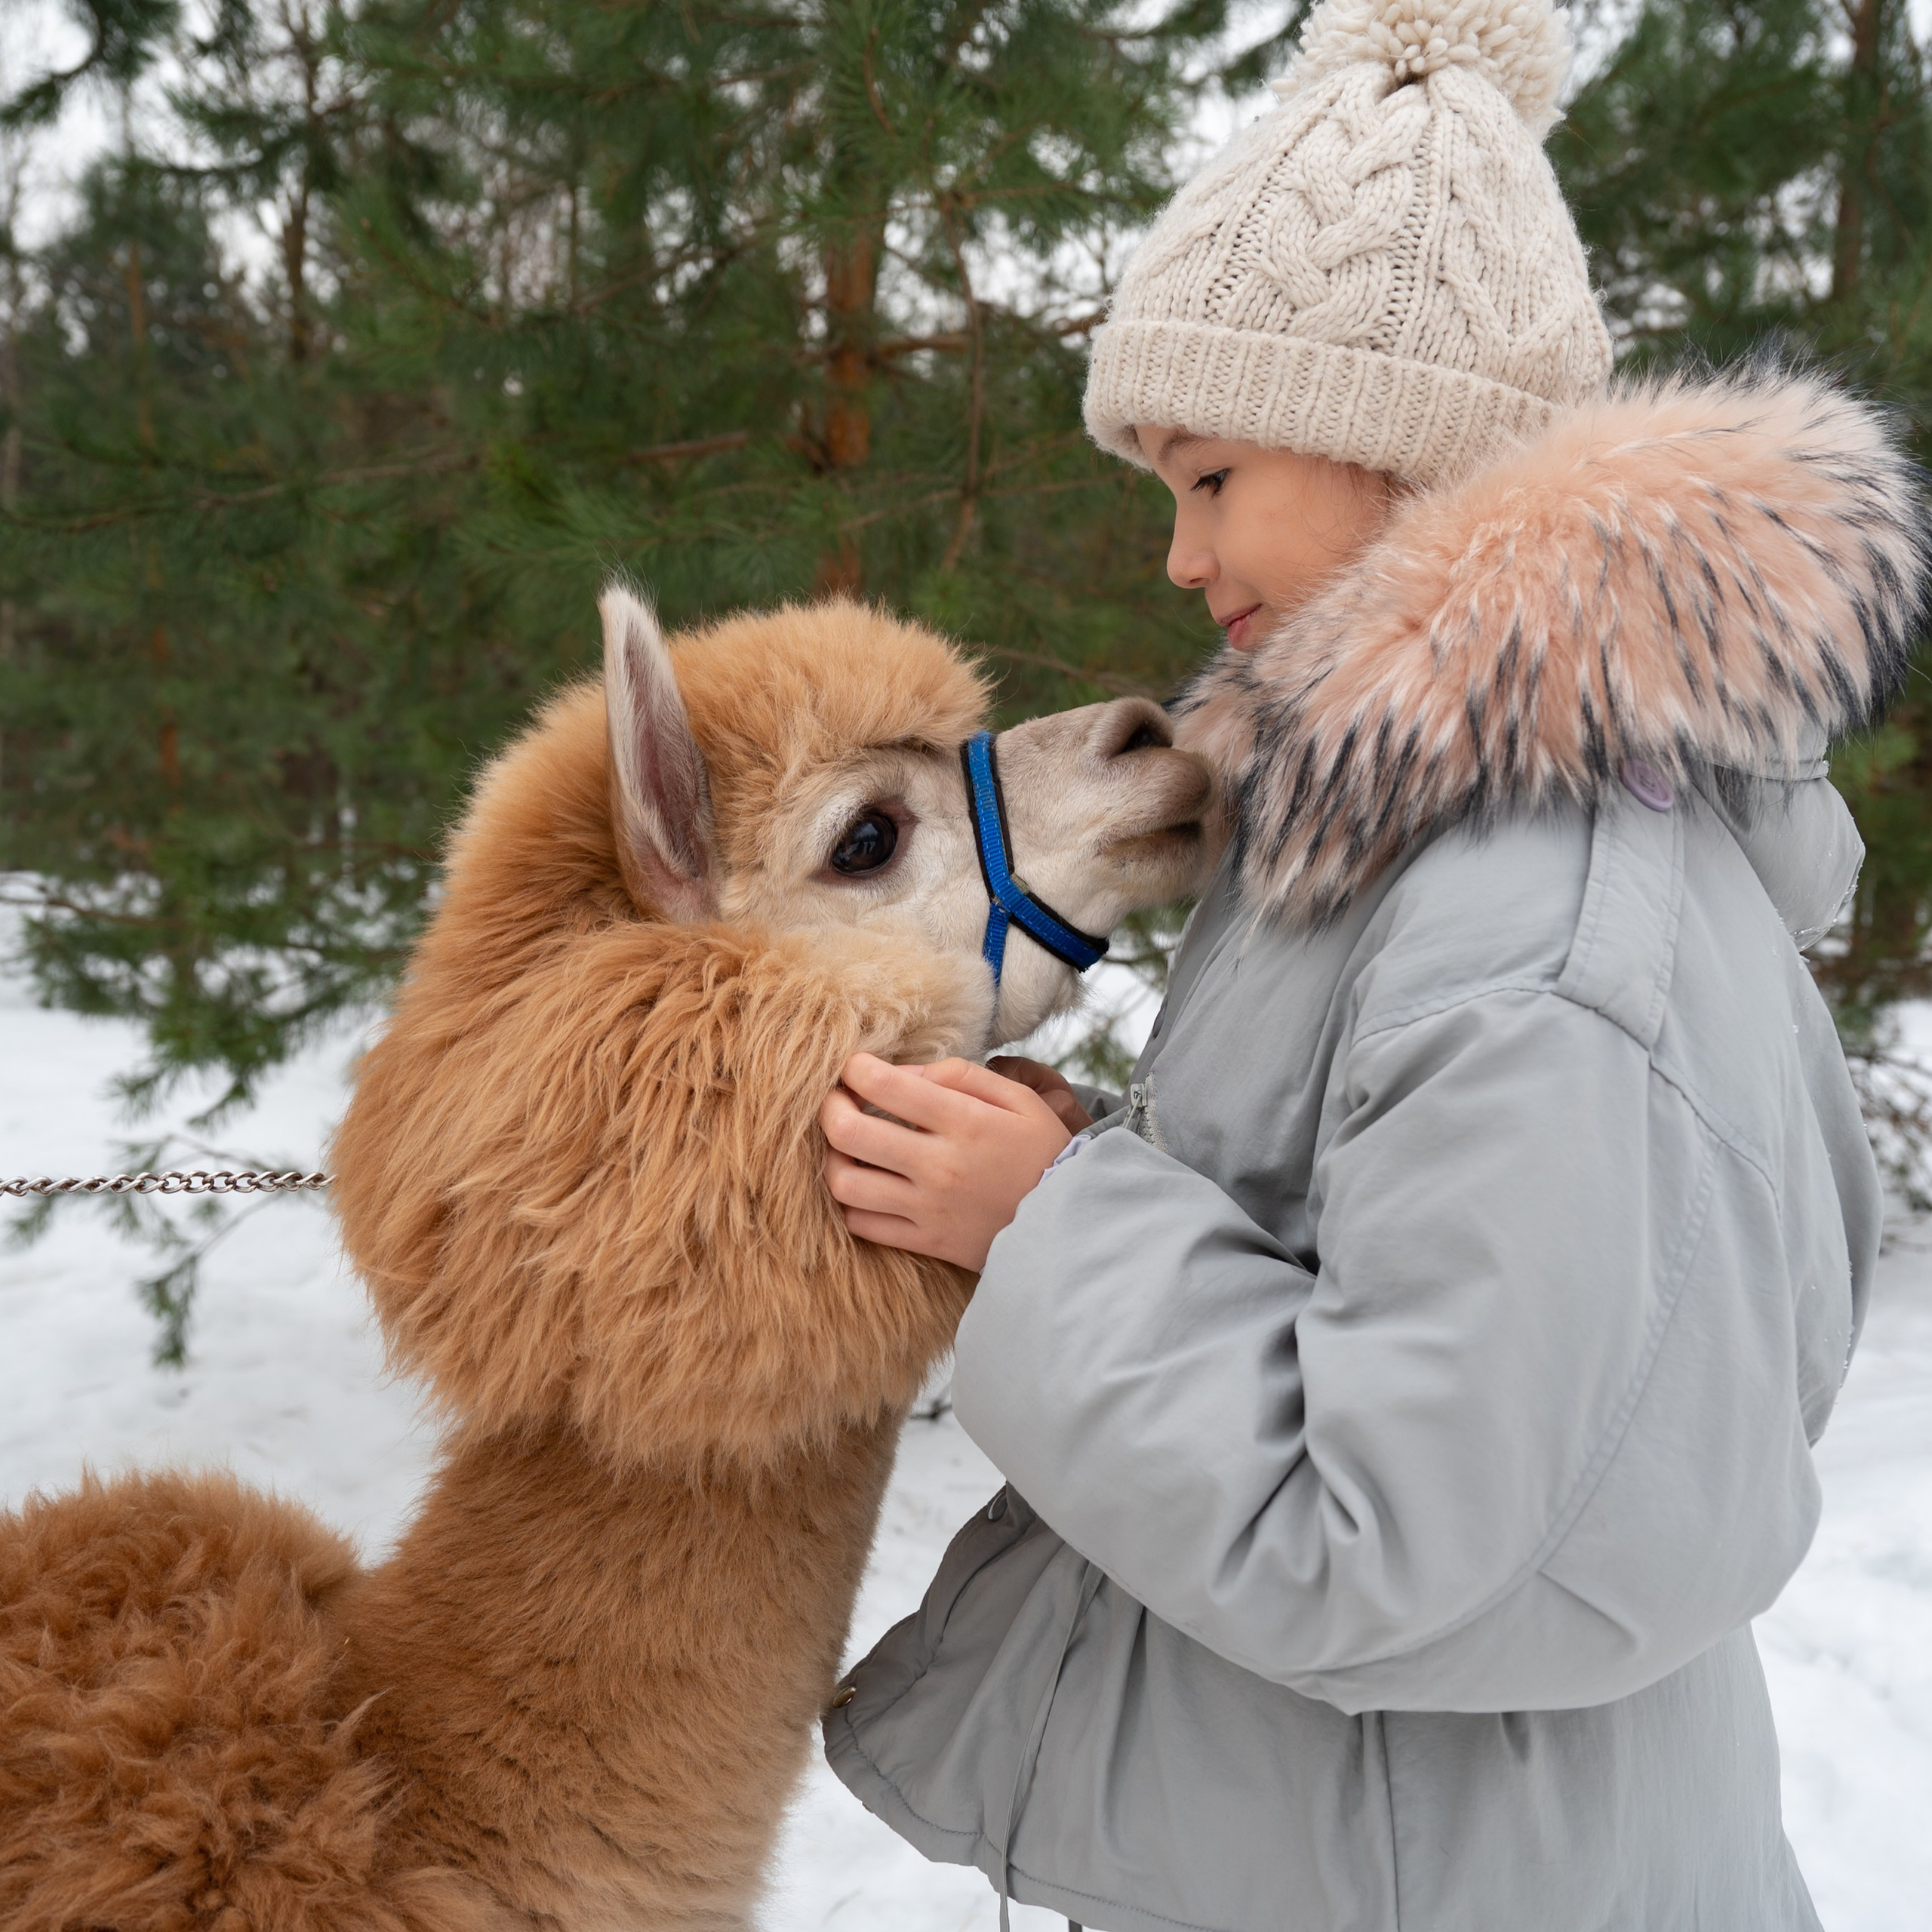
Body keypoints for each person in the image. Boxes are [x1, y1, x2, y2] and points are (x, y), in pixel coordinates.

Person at [817, 3, 1927, 1927]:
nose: (1177, 559)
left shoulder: (1536, 928)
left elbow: (1409, 1535)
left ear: (1395, 441)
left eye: (1208, 476)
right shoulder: (1426, 827)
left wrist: (1053, 1232)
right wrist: (1092, 1168)